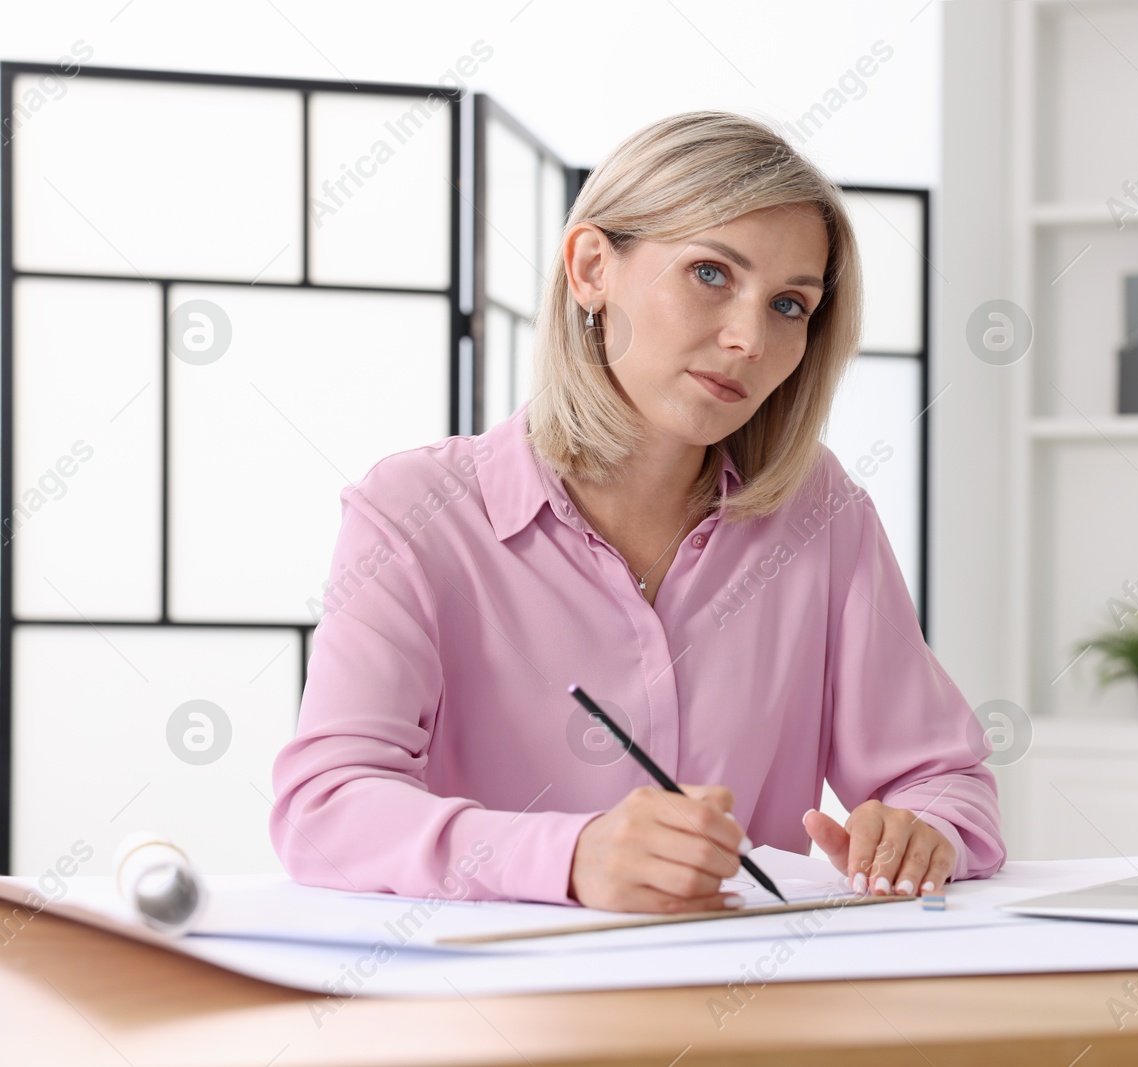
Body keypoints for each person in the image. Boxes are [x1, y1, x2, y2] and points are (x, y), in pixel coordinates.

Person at [268, 110, 1004, 913]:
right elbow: (326, 808)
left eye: (790, 305)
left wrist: (919, 832)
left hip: (751, 1011)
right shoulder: (416, 512)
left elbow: (945, 782)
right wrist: (572, 856)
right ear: (591, 268)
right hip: (497, 1017)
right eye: (711, 273)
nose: (750, 338)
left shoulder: (820, 514)